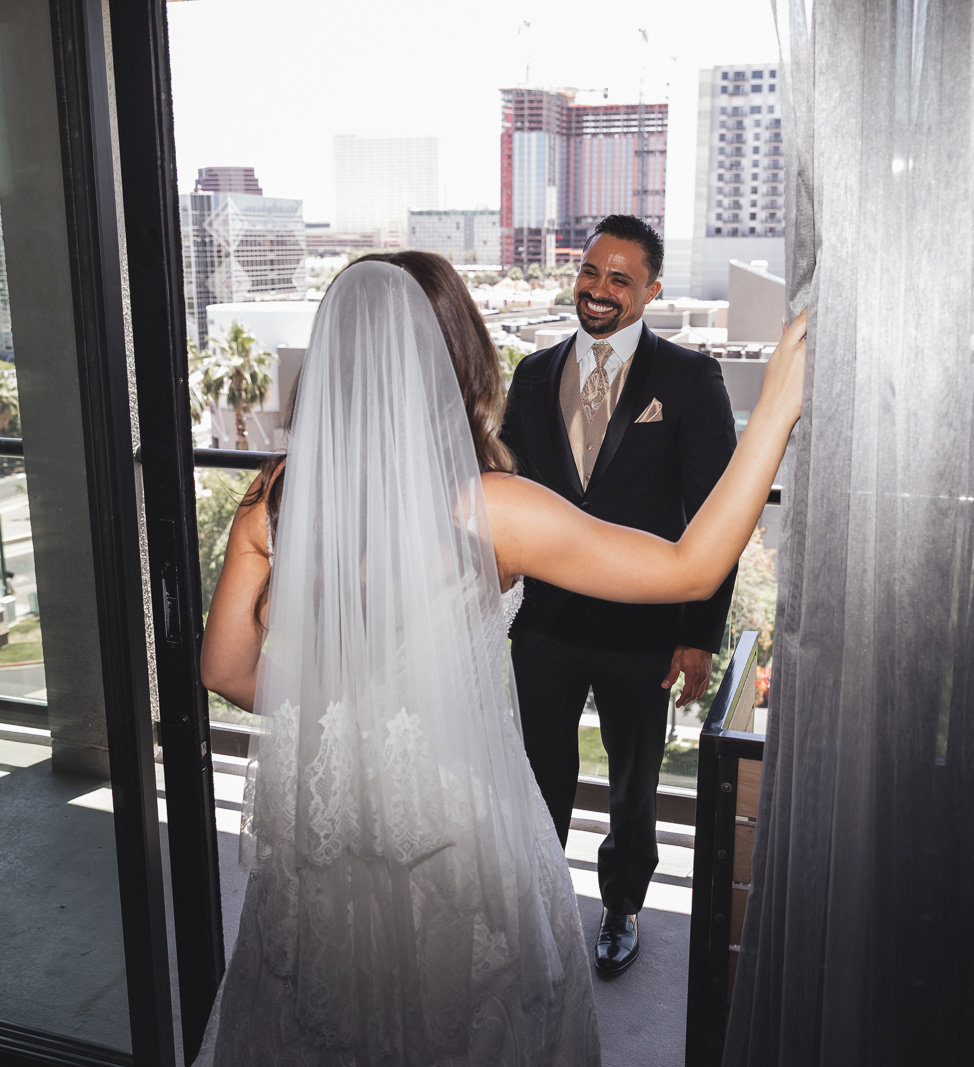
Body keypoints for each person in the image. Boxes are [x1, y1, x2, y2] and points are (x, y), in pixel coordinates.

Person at [197, 252, 806, 1064]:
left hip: (328, 821)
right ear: (458, 355)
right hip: (460, 829)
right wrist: (775, 412)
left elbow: (225, 670)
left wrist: (343, 711)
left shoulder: (276, 495)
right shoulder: (489, 510)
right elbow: (688, 568)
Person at [499, 214, 735, 974]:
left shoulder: (689, 379)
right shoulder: (533, 374)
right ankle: (539, 904)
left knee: (635, 784)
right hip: (545, 624)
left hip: (643, 629)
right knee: (537, 774)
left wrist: (699, 634)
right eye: (590, 272)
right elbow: (506, 489)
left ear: (651, 291)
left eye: (620, 279)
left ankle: (622, 906)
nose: (599, 290)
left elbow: (713, 517)